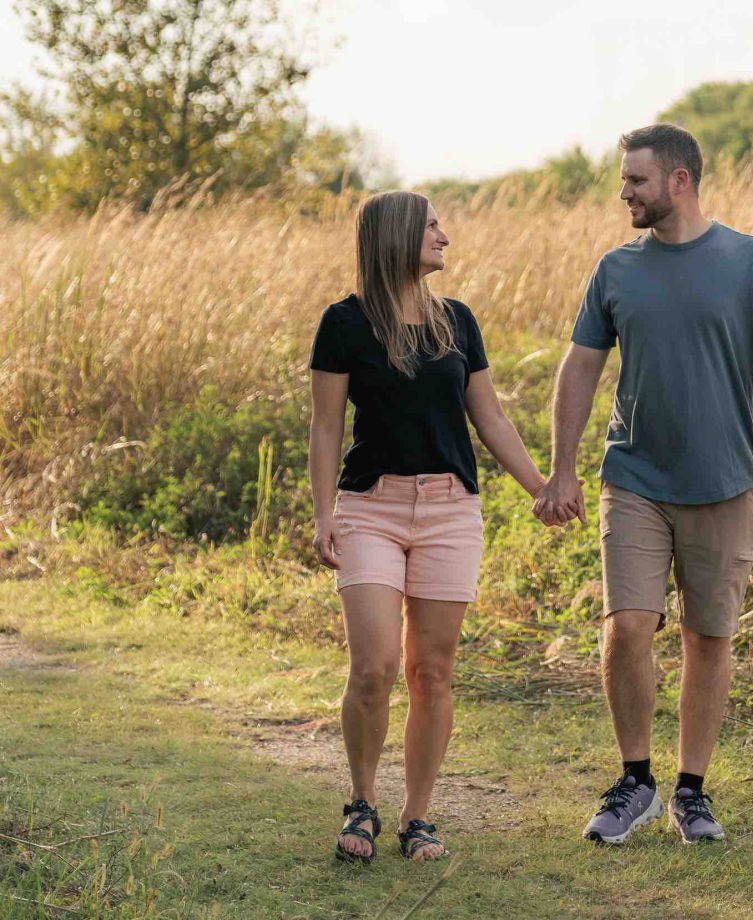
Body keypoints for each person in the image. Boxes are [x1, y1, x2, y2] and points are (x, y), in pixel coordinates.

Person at [534, 124, 753, 845]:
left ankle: (691, 791)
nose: (623, 192)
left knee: (707, 638)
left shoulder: (749, 260)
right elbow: (580, 367)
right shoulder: (616, 270)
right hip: (634, 478)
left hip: (725, 482)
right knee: (628, 627)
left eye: (635, 181)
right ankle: (636, 782)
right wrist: (562, 466)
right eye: (624, 180)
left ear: (679, 181)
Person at [308, 190, 547, 864]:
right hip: (370, 509)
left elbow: (490, 418)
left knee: (432, 673)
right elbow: (327, 426)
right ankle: (362, 803)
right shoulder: (344, 323)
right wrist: (323, 512)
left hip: (450, 512)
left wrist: (542, 487)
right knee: (374, 667)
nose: (444, 234)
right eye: (432, 225)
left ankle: (418, 816)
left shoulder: (457, 322)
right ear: (396, 238)